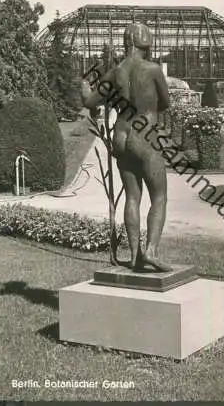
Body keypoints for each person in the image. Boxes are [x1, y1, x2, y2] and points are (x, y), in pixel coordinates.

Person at [82, 23, 172, 272]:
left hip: (120, 137)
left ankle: (134, 255)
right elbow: (166, 103)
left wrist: (85, 89)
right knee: (160, 197)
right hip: (145, 135)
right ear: (146, 42)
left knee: (133, 196)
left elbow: (90, 100)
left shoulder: (115, 72)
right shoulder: (153, 69)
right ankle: (151, 252)